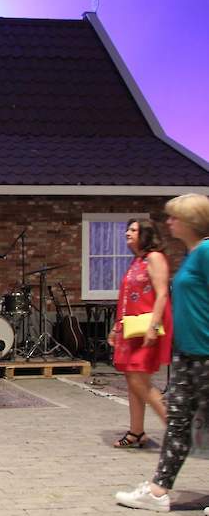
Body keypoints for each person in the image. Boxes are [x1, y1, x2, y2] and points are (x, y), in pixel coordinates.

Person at [116, 194, 209, 513]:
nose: (168, 222)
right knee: (179, 423)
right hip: (188, 353)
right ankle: (158, 490)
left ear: (191, 221)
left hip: (206, 354)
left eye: (174, 217)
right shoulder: (192, 252)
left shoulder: (208, 252)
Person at [108, 219, 172, 448]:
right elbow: (125, 299)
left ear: (145, 234)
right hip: (130, 328)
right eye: (127, 229)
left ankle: (176, 431)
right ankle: (137, 432)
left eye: (133, 230)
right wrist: (117, 327)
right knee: (132, 379)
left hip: (147, 327)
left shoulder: (154, 258)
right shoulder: (137, 261)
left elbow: (162, 294)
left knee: (139, 379)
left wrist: (154, 327)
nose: (127, 233)